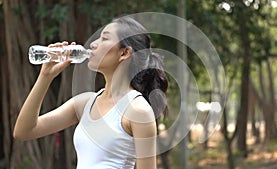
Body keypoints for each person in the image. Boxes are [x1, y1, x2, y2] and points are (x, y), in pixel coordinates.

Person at [13, 16, 168, 169]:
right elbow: (24, 131)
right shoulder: (85, 103)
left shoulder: (137, 111)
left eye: (104, 39)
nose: (93, 44)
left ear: (124, 53)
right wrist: (45, 76)